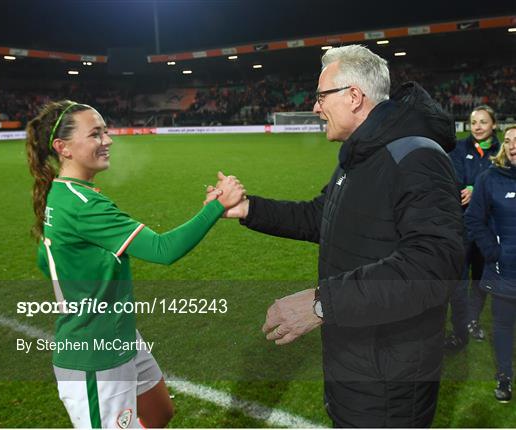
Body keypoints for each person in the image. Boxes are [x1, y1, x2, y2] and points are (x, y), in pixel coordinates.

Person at [212, 45, 464, 427]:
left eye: (320, 96)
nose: (315, 108)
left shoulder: (417, 157)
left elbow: (431, 267)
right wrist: (248, 209)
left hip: (390, 381)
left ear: (354, 96)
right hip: (354, 364)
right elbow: (321, 216)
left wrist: (320, 304)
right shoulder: (361, 156)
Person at [25, 100, 244, 428]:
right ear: (63, 148)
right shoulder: (83, 205)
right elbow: (162, 249)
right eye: (96, 134)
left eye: (106, 131)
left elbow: (47, 259)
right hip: (95, 356)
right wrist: (217, 207)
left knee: (159, 413)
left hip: (119, 334)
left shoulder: (62, 194)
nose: (108, 140)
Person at [465, 125, 516, 402]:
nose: (512, 145)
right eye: (508, 141)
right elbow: (474, 219)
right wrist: (493, 251)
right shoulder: (489, 178)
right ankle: (504, 376)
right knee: (503, 325)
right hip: (504, 272)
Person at [445, 106, 501, 350]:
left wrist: (475, 189)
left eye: (483, 122)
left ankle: (472, 321)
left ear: (494, 125)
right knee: (458, 278)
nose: (477, 126)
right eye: (473, 122)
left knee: (481, 276)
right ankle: (458, 331)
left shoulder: (504, 151)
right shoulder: (459, 148)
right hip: (462, 224)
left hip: (490, 226)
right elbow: (454, 179)